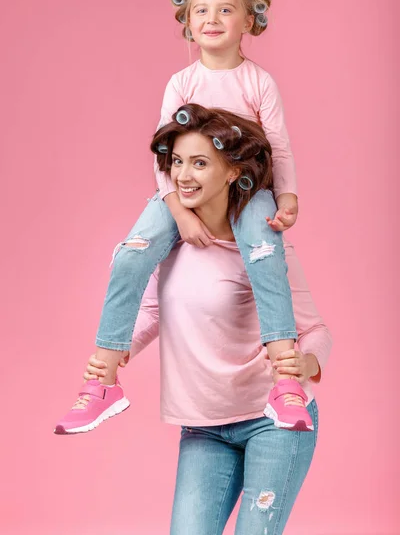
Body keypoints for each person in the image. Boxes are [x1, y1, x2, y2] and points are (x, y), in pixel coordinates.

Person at [55, 0, 320, 434]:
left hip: (248, 190)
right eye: (201, 10)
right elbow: (164, 156)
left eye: (225, 9)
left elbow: (277, 143)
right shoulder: (181, 83)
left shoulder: (258, 82)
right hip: (179, 191)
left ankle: (285, 380)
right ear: (188, 22)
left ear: (249, 20)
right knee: (129, 259)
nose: (211, 18)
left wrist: (288, 195)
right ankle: (102, 380)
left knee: (265, 255)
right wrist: (177, 211)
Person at [82, 105, 332, 534]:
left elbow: (315, 331)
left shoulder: (264, 251)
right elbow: (154, 311)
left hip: (272, 423)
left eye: (200, 163)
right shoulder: (171, 247)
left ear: (234, 173)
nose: (183, 175)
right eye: (177, 162)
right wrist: (118, 352)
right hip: (204, 427)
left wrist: (307, 365)